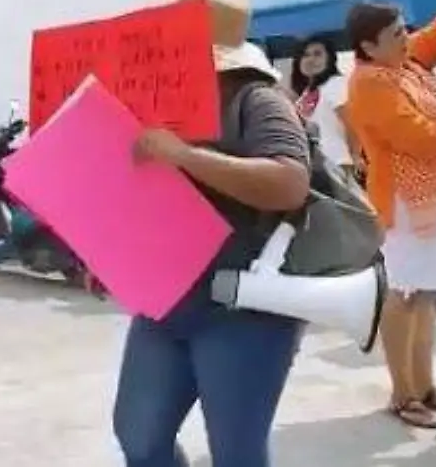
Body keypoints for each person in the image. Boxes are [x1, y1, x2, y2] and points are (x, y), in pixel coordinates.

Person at [113, 40, 311, 467]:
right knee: (139, 438)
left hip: (243, 312)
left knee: (236, 454)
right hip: (163, 303)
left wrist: (185, 155)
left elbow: (290, 183)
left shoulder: (256, 99)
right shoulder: (150, 110)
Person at [345, 2, 436, 429]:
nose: (407, 38)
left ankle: (424, 385)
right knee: (404, 295)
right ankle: (403, 395)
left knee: (424, 295)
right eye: (397, 34)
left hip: (430, 198)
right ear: (368, 46)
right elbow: (417, 138)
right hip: (403, 203)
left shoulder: (404, 60)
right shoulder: (370, 82)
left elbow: (435, 35)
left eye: (405, 30)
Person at [290, 34, 363, 178]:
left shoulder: (335, 84)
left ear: (330, 59)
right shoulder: (306, 94)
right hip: (316, 166)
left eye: (317, 54)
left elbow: (352, 122)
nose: (310, 59)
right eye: (305, 55)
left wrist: (355, 155)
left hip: (339, 163)